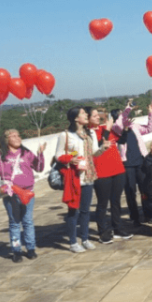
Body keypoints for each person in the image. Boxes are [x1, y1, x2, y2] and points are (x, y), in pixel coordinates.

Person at [0, 129, 46, 262]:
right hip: (11, 193)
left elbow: (38, 167)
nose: (17, 138)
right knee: (14, 223)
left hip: (27, 192)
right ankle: (16, 250)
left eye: (18, 135)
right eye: (13, 136)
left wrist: (40, 154)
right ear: (6, 140)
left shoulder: (26, 153)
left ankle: (30, 248)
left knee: (28, 221)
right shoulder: (2, 155)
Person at [55, 107, 103, 253]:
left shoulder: (89, 133)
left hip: (88, 175)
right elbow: (58, 156)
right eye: (83, 113)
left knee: (85, 211)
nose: (86, 115)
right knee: (73, 211)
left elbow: (94, 152)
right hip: (74, 177)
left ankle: (85, 238)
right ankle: (73, 242)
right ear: (75, 118)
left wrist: (104, 148)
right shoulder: (65, 135)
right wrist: (71, 159)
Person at [87, 107, 133, 244]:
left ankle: (117, 227)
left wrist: (125, 129)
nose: (98, 117)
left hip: (117, 169)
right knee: (102, 203)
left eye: (97, 115)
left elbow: (122, 141)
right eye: (94, 115)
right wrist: (106, 130)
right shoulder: (88, 133)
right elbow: (99, 145)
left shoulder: (106, 128)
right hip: (101, 172)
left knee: (116, 201)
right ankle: (103, 232)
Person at [112, 99, 152, 226]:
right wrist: (128, 108)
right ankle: (135, 217)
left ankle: (148, 214)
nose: (125, 116)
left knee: (145, 190)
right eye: (121, 115)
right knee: (131, 192)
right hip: (127, 165)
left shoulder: (134, 127)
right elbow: (120, 122)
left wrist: (151, 113)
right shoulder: (117, 128)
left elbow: (149, 129)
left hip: (141, 162)